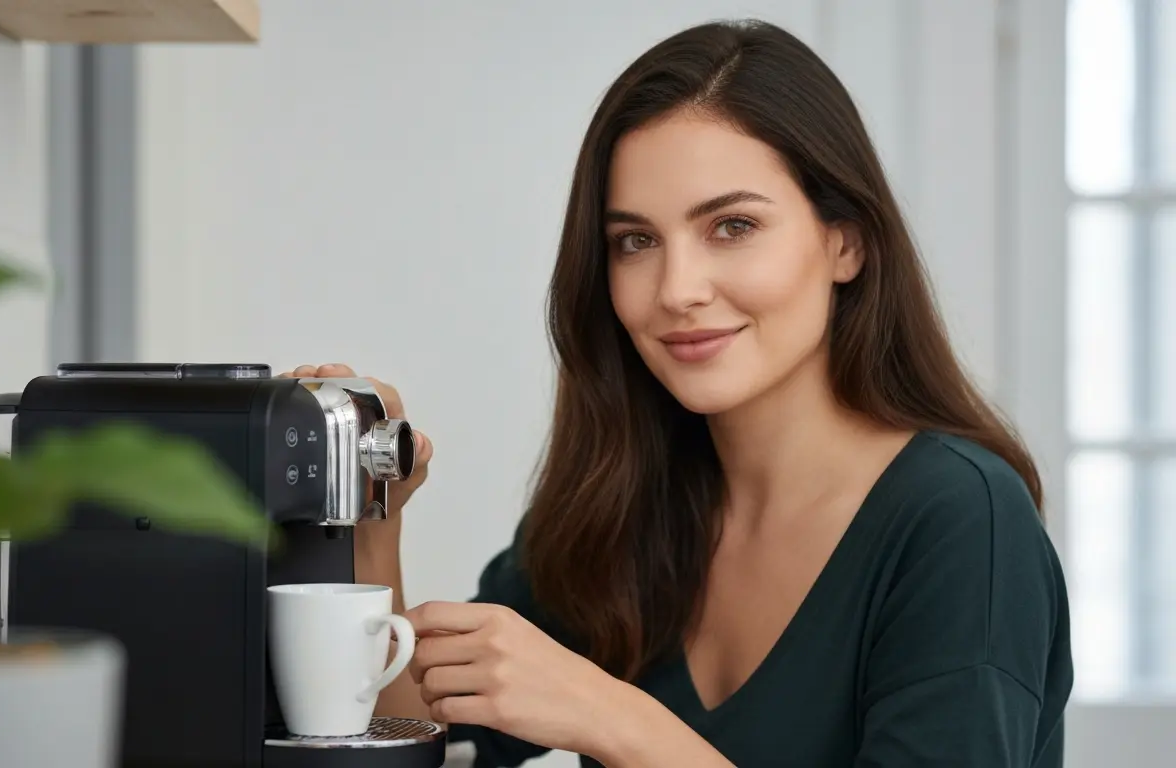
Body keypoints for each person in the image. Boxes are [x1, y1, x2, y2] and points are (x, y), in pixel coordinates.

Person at [280, 18, 1072, 768]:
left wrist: (610, 716)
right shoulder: (624, 503)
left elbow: (590, 715)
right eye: (636, 241)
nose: (676, 289)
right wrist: (372, 512)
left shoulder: (961, 520)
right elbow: (410, 730)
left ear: (846, 242)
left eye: (732, 226)